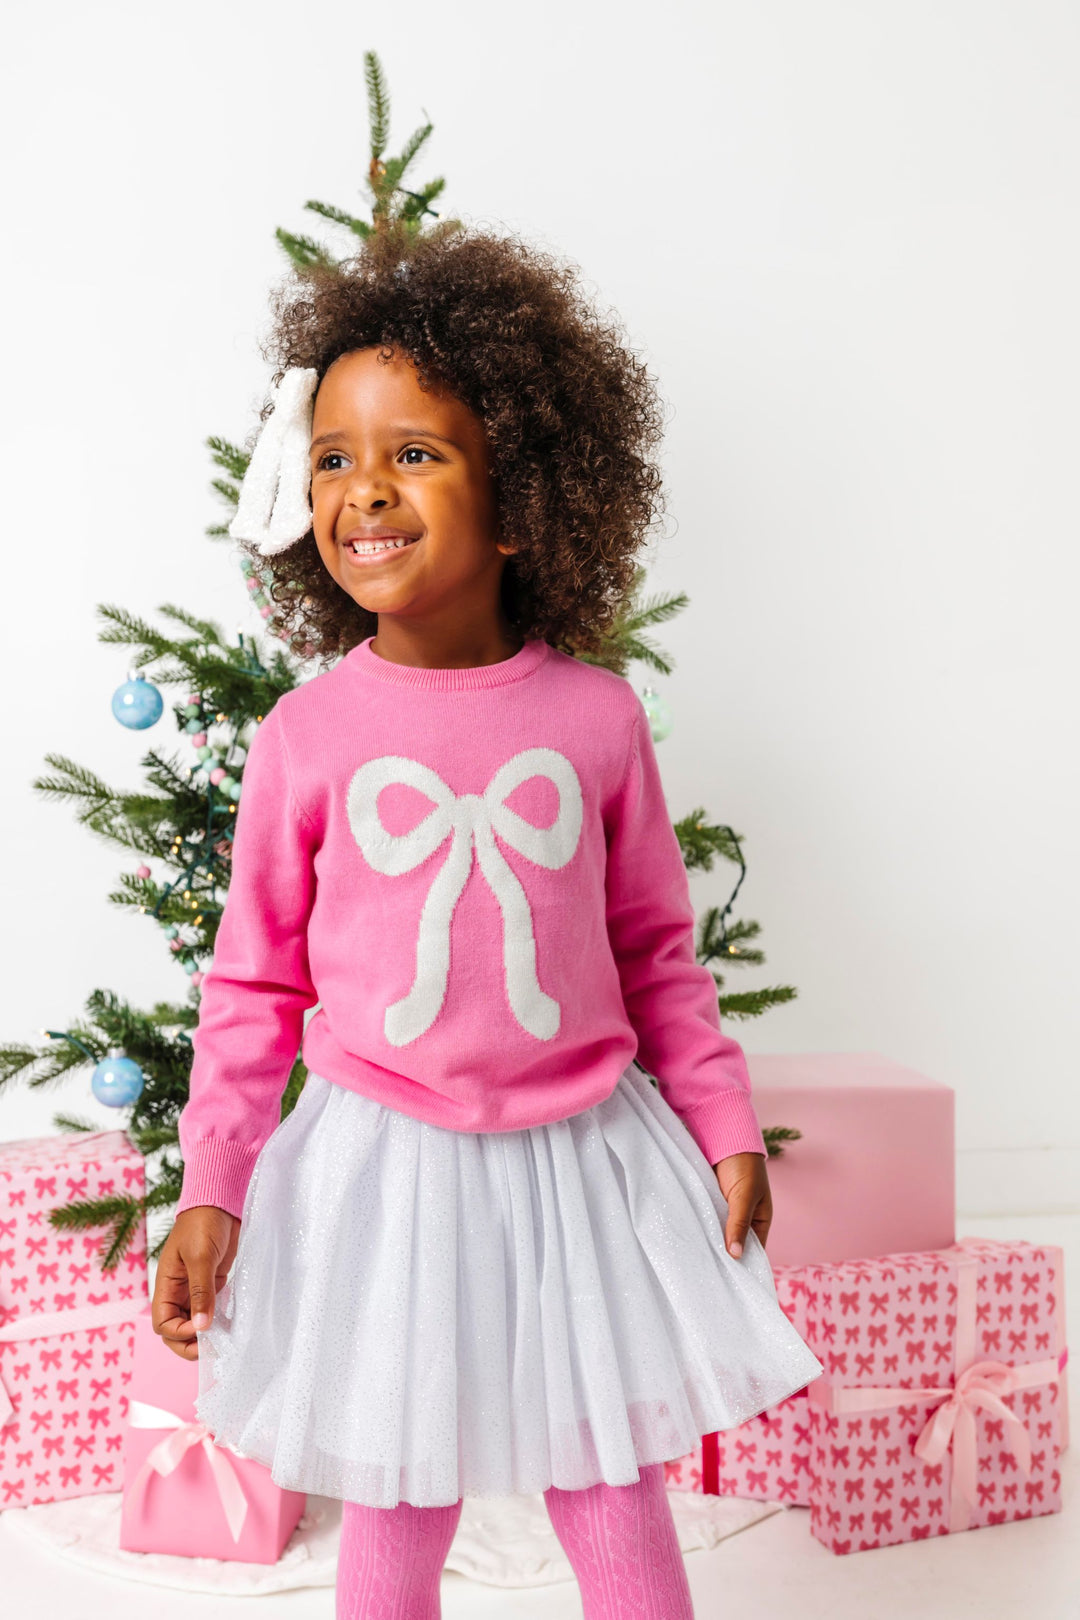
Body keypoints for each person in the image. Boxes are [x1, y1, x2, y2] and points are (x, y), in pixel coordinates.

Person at [151, 219, 823, 1619]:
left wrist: (725, 1122)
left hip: (579, 1161)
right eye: (333, 456)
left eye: (415, 452)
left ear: (521, 496)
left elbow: (657, 954)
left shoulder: (594, 718)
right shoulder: (307, 735)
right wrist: (214, 1181)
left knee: (609, 1483)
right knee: (398, 1499)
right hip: (380, 1168)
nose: (363, 490)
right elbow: (251, 984)